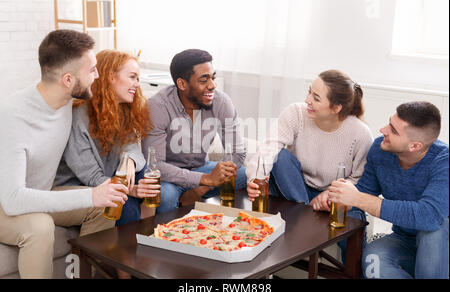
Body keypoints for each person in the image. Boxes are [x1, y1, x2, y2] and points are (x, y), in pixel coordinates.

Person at [0, 30, 129, 279]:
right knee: (39, 226)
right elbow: (14, 200)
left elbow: (124, 114)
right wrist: (91, 194)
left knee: (106, 203)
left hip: (41, 192)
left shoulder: (69, 99)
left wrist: (129, 158)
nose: (97, 75)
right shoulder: (12, 116)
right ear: (68, 80)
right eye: (92, 70)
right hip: (5, 202)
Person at [246, 70, 373, 261]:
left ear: (336, 107)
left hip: (333, 197)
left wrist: (331, 196)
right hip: (294, 189)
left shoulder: (360, 134)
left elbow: (360, 179)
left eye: (316, 97)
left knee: (354, 219)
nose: (307, 100)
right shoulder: (295, 113)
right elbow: (268, 149)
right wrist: (255, 179)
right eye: (309, 92)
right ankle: (306, 215)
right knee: (278, 157)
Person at [329, 101, 449, 279]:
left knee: (434, 229)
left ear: (414, 146)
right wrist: (337, 198)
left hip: (441, 244)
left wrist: (358, 199)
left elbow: (429, 216)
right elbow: (365, 191)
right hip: (405, 238)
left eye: (393, 130)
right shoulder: (380, 149)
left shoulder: (443, 161)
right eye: (389, 122)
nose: (383, 129)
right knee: (373, 260)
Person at [54, 49, 159, 227]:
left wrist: (129, 160)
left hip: (111, 180)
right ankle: (129, 247)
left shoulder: (124, 109)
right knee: (125, 203)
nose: (137, 84)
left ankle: (147, 237)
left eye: (138, 79)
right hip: (81, 186)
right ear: (110, 77)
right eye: (132, 77)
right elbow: (91, 176)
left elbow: (133, 145)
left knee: (144, 175)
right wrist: (130, 190)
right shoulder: (77, 115)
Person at [141, 49, 247, 214]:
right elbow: (156, 166)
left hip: (201, 168)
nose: (212, 85)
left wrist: (203, 186)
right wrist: (205, 179)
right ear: (182, 84)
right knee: (165, 195)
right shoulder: (158, 107)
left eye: (212, 77)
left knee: (247, 175)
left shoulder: (221, 101)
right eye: (204, 80)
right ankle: (168, 237)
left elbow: (237, 152)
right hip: (169, 177)